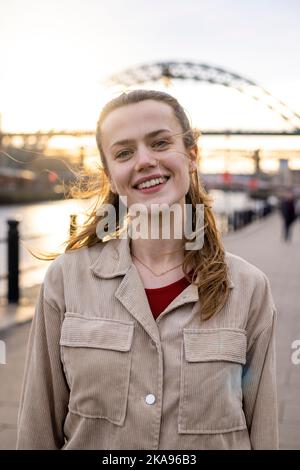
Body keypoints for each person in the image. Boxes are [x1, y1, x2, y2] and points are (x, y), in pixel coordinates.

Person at [16, 89, 278, 450]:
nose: (144, 161)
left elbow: (263, 432)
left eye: (159, 143)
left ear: (191, 155)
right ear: (110, 173)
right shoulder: (65, 280)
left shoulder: (249, 289)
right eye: (124, 152)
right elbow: (36, 430)